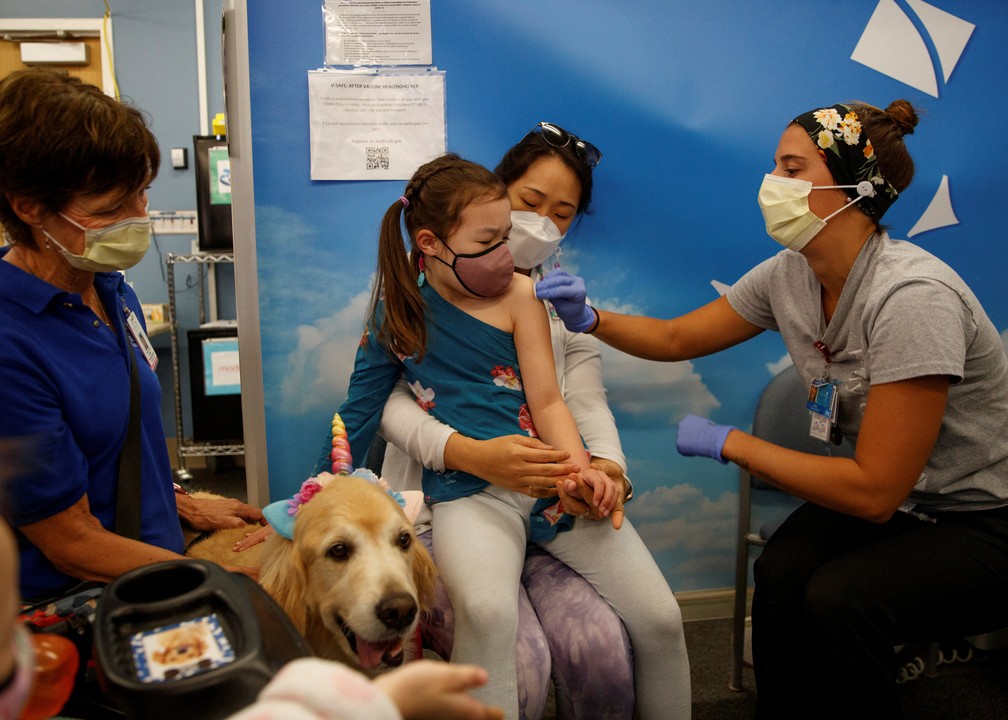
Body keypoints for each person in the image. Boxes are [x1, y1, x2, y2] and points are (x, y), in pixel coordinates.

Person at [535, 100, 1008, 719]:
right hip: (912, 506)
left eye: (792, 167)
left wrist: (729, 443)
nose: (772, 184)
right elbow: (678, 339)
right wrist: (590, 319)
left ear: (855, 187)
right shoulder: (792, 273)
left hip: (982, 518)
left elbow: (873, 493)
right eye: (774, 166)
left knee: (842, 600)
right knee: (784, 570)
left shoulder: (913, 298)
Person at [331, 153, 690, 719]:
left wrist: (582, 471)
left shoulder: (523, 296)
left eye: (507, 237)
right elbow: (359, 414)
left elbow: (550, 401)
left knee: (662, 618)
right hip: (468, 495)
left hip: (549, 484)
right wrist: (315, 500)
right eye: (489, 241)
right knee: (489, 617)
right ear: (430, 243)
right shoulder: (396, 316)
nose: (508, 254)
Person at [0, 68, 264, 602]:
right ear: (28, 207)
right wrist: (217, 581)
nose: (138, 219)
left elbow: (116, 444)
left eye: (141, 195)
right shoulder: (11, 343)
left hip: (153, 565)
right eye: (110, 210)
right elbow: (71, 543)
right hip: (82, 600)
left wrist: (181, 504)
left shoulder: (110, 292)